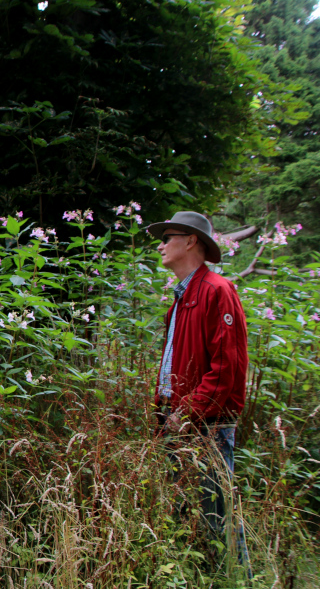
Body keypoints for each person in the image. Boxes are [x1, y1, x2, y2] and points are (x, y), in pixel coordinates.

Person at [146, 210, 250, 574]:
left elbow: (227, 370)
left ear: (191, 241)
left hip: (205, 424)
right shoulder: (183, 295)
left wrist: (185, 412)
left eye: (167, 237)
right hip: (178, 420)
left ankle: (237, 580)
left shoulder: (217, 292)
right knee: (182, 513)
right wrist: (166, 411)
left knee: (216, 512)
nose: (160, 245)